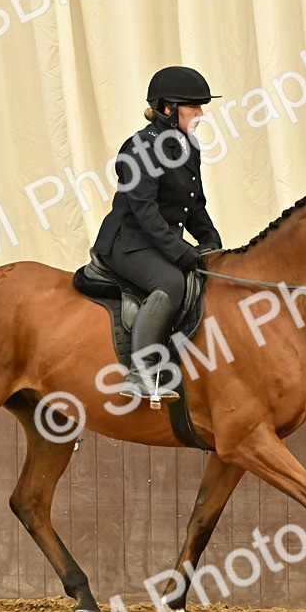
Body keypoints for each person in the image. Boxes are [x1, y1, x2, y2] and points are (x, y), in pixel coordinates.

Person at [92, 66, 223, 401]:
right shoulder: (138, 148)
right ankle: (140, 372)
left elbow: (194, 205)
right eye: (193, 107)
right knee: (171, 283)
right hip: (129, 242)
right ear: (168, 109)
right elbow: (145, 212)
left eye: (200, 107)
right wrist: (180, 251)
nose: (200, 114)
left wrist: (212, 244)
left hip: (159, 240)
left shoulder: (189, 146)